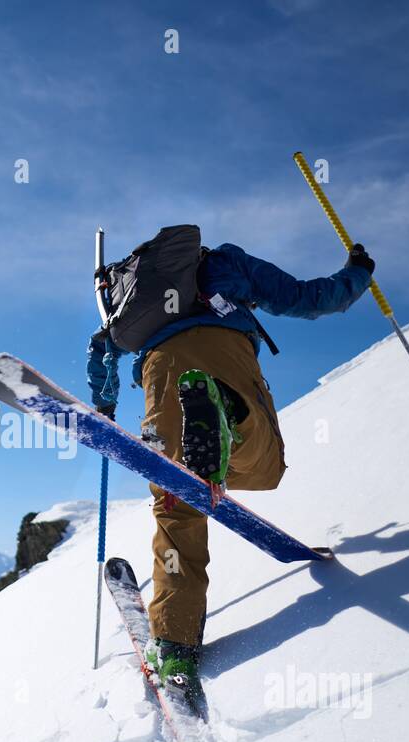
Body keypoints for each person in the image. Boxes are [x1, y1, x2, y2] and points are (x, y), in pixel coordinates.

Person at [86, 240, 376, 701]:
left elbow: (102, 349)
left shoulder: (129, 292)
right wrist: (358, 272)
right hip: (226, 354)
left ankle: (176, 645)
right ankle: (229, 419)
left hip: (159, 375)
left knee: (176, 502)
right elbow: (310, 298)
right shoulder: (226, 263)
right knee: (264, 470)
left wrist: (103, 402)